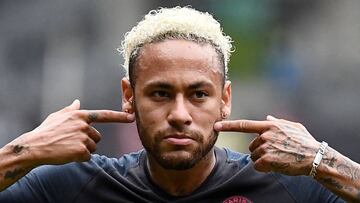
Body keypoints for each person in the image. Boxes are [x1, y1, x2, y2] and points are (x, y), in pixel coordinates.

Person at [0, 6, 359, 203]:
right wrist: (25, 150)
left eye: (199, 94)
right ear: (129, 96)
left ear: (225, 100)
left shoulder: (289, 187)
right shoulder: (73, 185)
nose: (180, 115)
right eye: (160, 93)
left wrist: (321, 160)